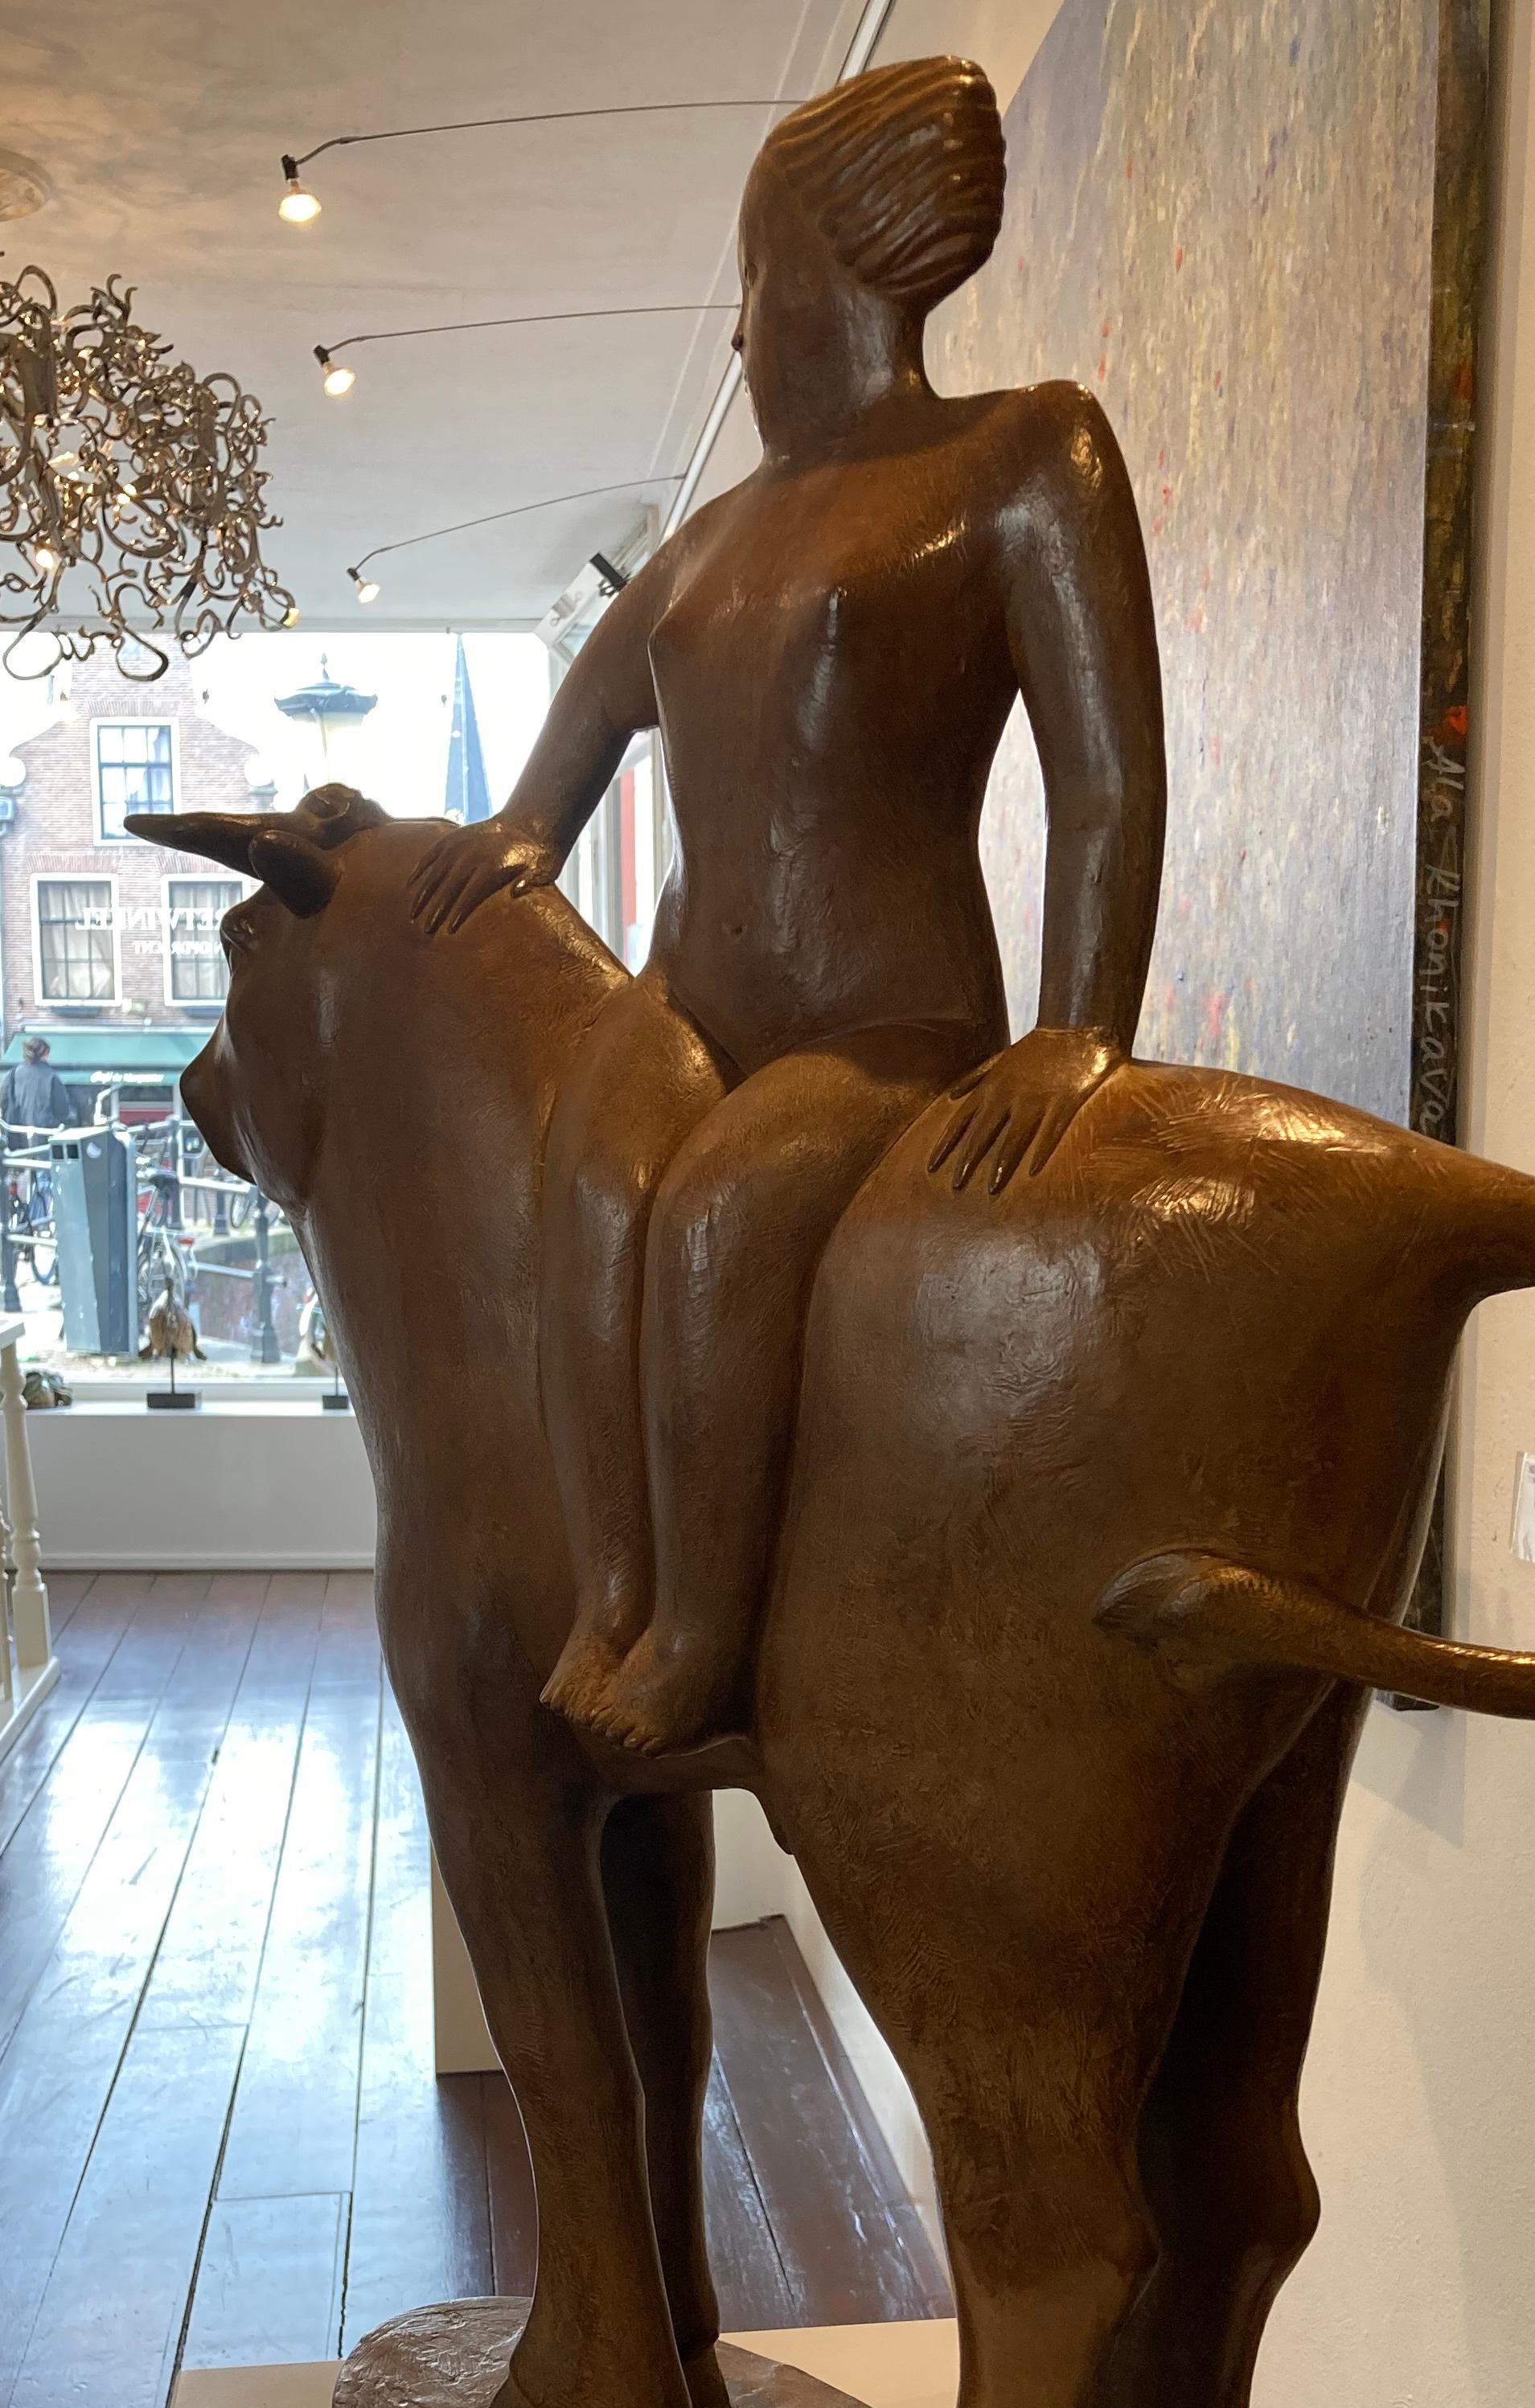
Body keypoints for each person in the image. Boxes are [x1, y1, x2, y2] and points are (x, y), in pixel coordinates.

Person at [411, 55, 1164, 1755]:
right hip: (686, 994)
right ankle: (615, 1593)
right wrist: (525, 826)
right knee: (593, 1186)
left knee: (721, 1217)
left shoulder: (1018, 455)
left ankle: (704, 1635)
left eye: (752, 285)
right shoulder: (714, 535)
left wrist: (1079, 1030)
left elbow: (1106, 778)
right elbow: (599, 699)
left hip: (883, 1020)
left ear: (832, 273)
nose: (740, 335)